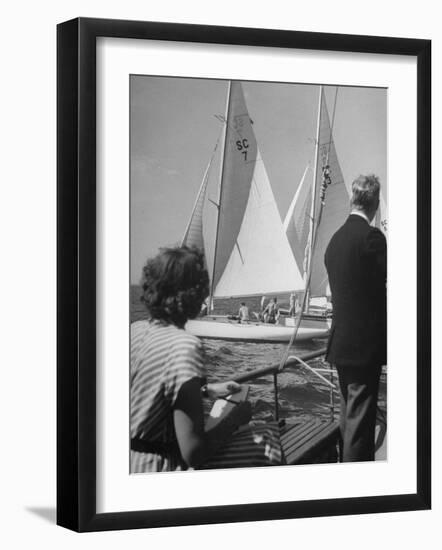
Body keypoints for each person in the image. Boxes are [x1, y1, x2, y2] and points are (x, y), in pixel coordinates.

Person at [131, 246, 282, 472]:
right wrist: (235, 420)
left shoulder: (135, 330)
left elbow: (153, 393)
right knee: (269, 438)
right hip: (160, 470)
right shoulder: (184, 345)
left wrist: (207, 390)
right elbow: (193, 453)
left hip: (127, 464)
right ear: (195, 295)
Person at [324, 174, 387, 462]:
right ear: (375, 203)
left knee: (347, 420)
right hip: (365, 351)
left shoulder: (334, 242)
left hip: (340, 346)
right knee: (360, 429)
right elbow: (382, 287)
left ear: (352, 199)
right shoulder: (373, 238)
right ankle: (359, 490)